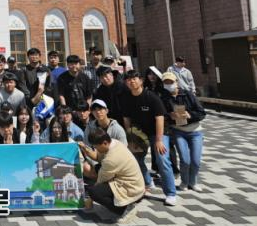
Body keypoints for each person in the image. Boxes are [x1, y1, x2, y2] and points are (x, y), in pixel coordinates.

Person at [122, 71, 177, 206]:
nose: (131, 81)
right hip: (140, 132)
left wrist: (159, 140)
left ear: (141, 81)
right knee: (135, 158)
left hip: (158, 132)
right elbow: (126, 119)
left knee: (162, 159)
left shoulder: (151, 97)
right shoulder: (126, 98)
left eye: (134, 78)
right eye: (128, 79)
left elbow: (160, 118)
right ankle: (147, 182)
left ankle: (171, 193)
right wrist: (130, 137)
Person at [83, 128, 144, 223]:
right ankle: (119, 203)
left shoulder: (111, 159)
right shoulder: (115, 143)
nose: (96, 150)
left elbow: (101, 180)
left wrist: (90, 199)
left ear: (104, 143)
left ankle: (125, 208)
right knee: (98, 169)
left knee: (94, 192)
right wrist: (86, 149)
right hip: (131, 180)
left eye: (97, 147)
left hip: (131, 188)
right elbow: (99, 159)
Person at [161, 72, 206, 192]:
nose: (168, 84)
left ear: (176, 82)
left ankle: (193, 182)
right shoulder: (164, 98)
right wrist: (170, 116)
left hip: (195, 131)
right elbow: (163, 115)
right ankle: (184, 182)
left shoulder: (187, 94)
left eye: (171, 82)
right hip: (178, 131)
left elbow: (201, 112)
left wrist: (190, 115)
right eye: (166, 82)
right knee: (185, 160)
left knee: (195, 161)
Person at [82, 99, 128, 180]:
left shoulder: (117, 129)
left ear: (107, 111)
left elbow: (124, 150)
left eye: (100, 109)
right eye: (95, 110)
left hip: (113, 161)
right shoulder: (89, 127)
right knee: (85, 168)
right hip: (96, 160)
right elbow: (87, 147)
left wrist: (108, 164)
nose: (98, 112)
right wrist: (95, 164)